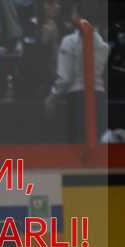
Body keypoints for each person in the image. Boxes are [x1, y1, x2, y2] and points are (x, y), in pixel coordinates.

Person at [45, 0, 110, 141]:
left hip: (78, 99)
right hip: (98, 98)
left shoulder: (69, 42)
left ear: (79, 16)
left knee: (77, 144)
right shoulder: (103, 46)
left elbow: (65, 78)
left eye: (74, 12)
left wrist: (52, 97)